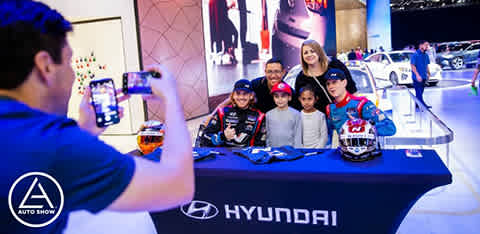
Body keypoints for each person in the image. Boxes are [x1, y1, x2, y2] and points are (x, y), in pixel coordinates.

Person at [0, 1, 194, 233]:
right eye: (69, 61)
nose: (72, 74)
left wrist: (85, 132)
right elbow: (177, 186)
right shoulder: (57, 144)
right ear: (46, 66)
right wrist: (171, 99)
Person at [324, 69, 396, 145]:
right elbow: (328, 136)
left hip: (365, 152)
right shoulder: (330, 109)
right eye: (328, 84)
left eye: (334, 82)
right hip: (343, 152)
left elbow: (390, 128)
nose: (331, 86)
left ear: (344, 82)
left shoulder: (361, 104)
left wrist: (363, 125)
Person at [293, 39, 357, 114]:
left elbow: (352, 89)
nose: (309, 55)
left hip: (345, 113)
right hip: (319, 120)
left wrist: (356, 111)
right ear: (302, 56)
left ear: (319, 52)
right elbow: (300, 104)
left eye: (312, 51)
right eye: (305, 53)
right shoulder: (301, 78)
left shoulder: (335, 65)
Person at [200, 79, 266, 147]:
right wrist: (223, 136)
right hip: (223, 155)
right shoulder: (221, 113)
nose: (241, 97)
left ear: (251, 96)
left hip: (248, 156)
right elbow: (205, 138)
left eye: (245, 94)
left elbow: (261, 145)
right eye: (238, 93)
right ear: (233, 95)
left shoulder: (259, 117)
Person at [266, 82, 302, 148]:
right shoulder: (269, 114)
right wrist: (269, 149)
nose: (280, 99)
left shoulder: (296, 114)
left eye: (283, 96)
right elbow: (268, 136)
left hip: (290, 151)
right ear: (273, 98)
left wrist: (296, 151)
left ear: (289, 97)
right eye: (276, 96)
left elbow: (298, 136)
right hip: (273, 151)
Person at [411, 40, 432, 108]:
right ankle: (423, 105)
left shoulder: (426, 55)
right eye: (426, 45)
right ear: (421, 45)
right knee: (419, 92)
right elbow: (412, 66)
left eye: (427, 45)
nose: (427, 47)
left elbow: (426, 65)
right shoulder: (415, 55)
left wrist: (428, 73)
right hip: (417, 77)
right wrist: (417, 75)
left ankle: (417, 104)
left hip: (423, 76)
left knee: (421, 92)